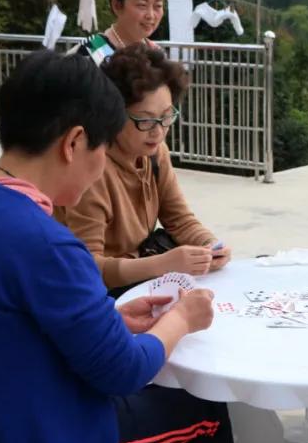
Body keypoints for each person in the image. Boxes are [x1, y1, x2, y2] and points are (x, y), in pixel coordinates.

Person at [0, 51, 237, 443]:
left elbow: (9, 322)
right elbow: (122, 370)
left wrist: (112, 321)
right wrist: (182, 318)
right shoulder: (46, 242)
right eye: (102, 148)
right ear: (75, 142)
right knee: (202, 411)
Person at [58, 43, 231, 296]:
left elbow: (179, 219)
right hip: (106, 296)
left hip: (140, 278)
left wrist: (210, 245)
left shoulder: (155, 152)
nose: (158, 131)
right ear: (114, 115)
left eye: (166, 117)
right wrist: (162, 264)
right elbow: (86, 268)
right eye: (146, 120)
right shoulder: (93, 169)